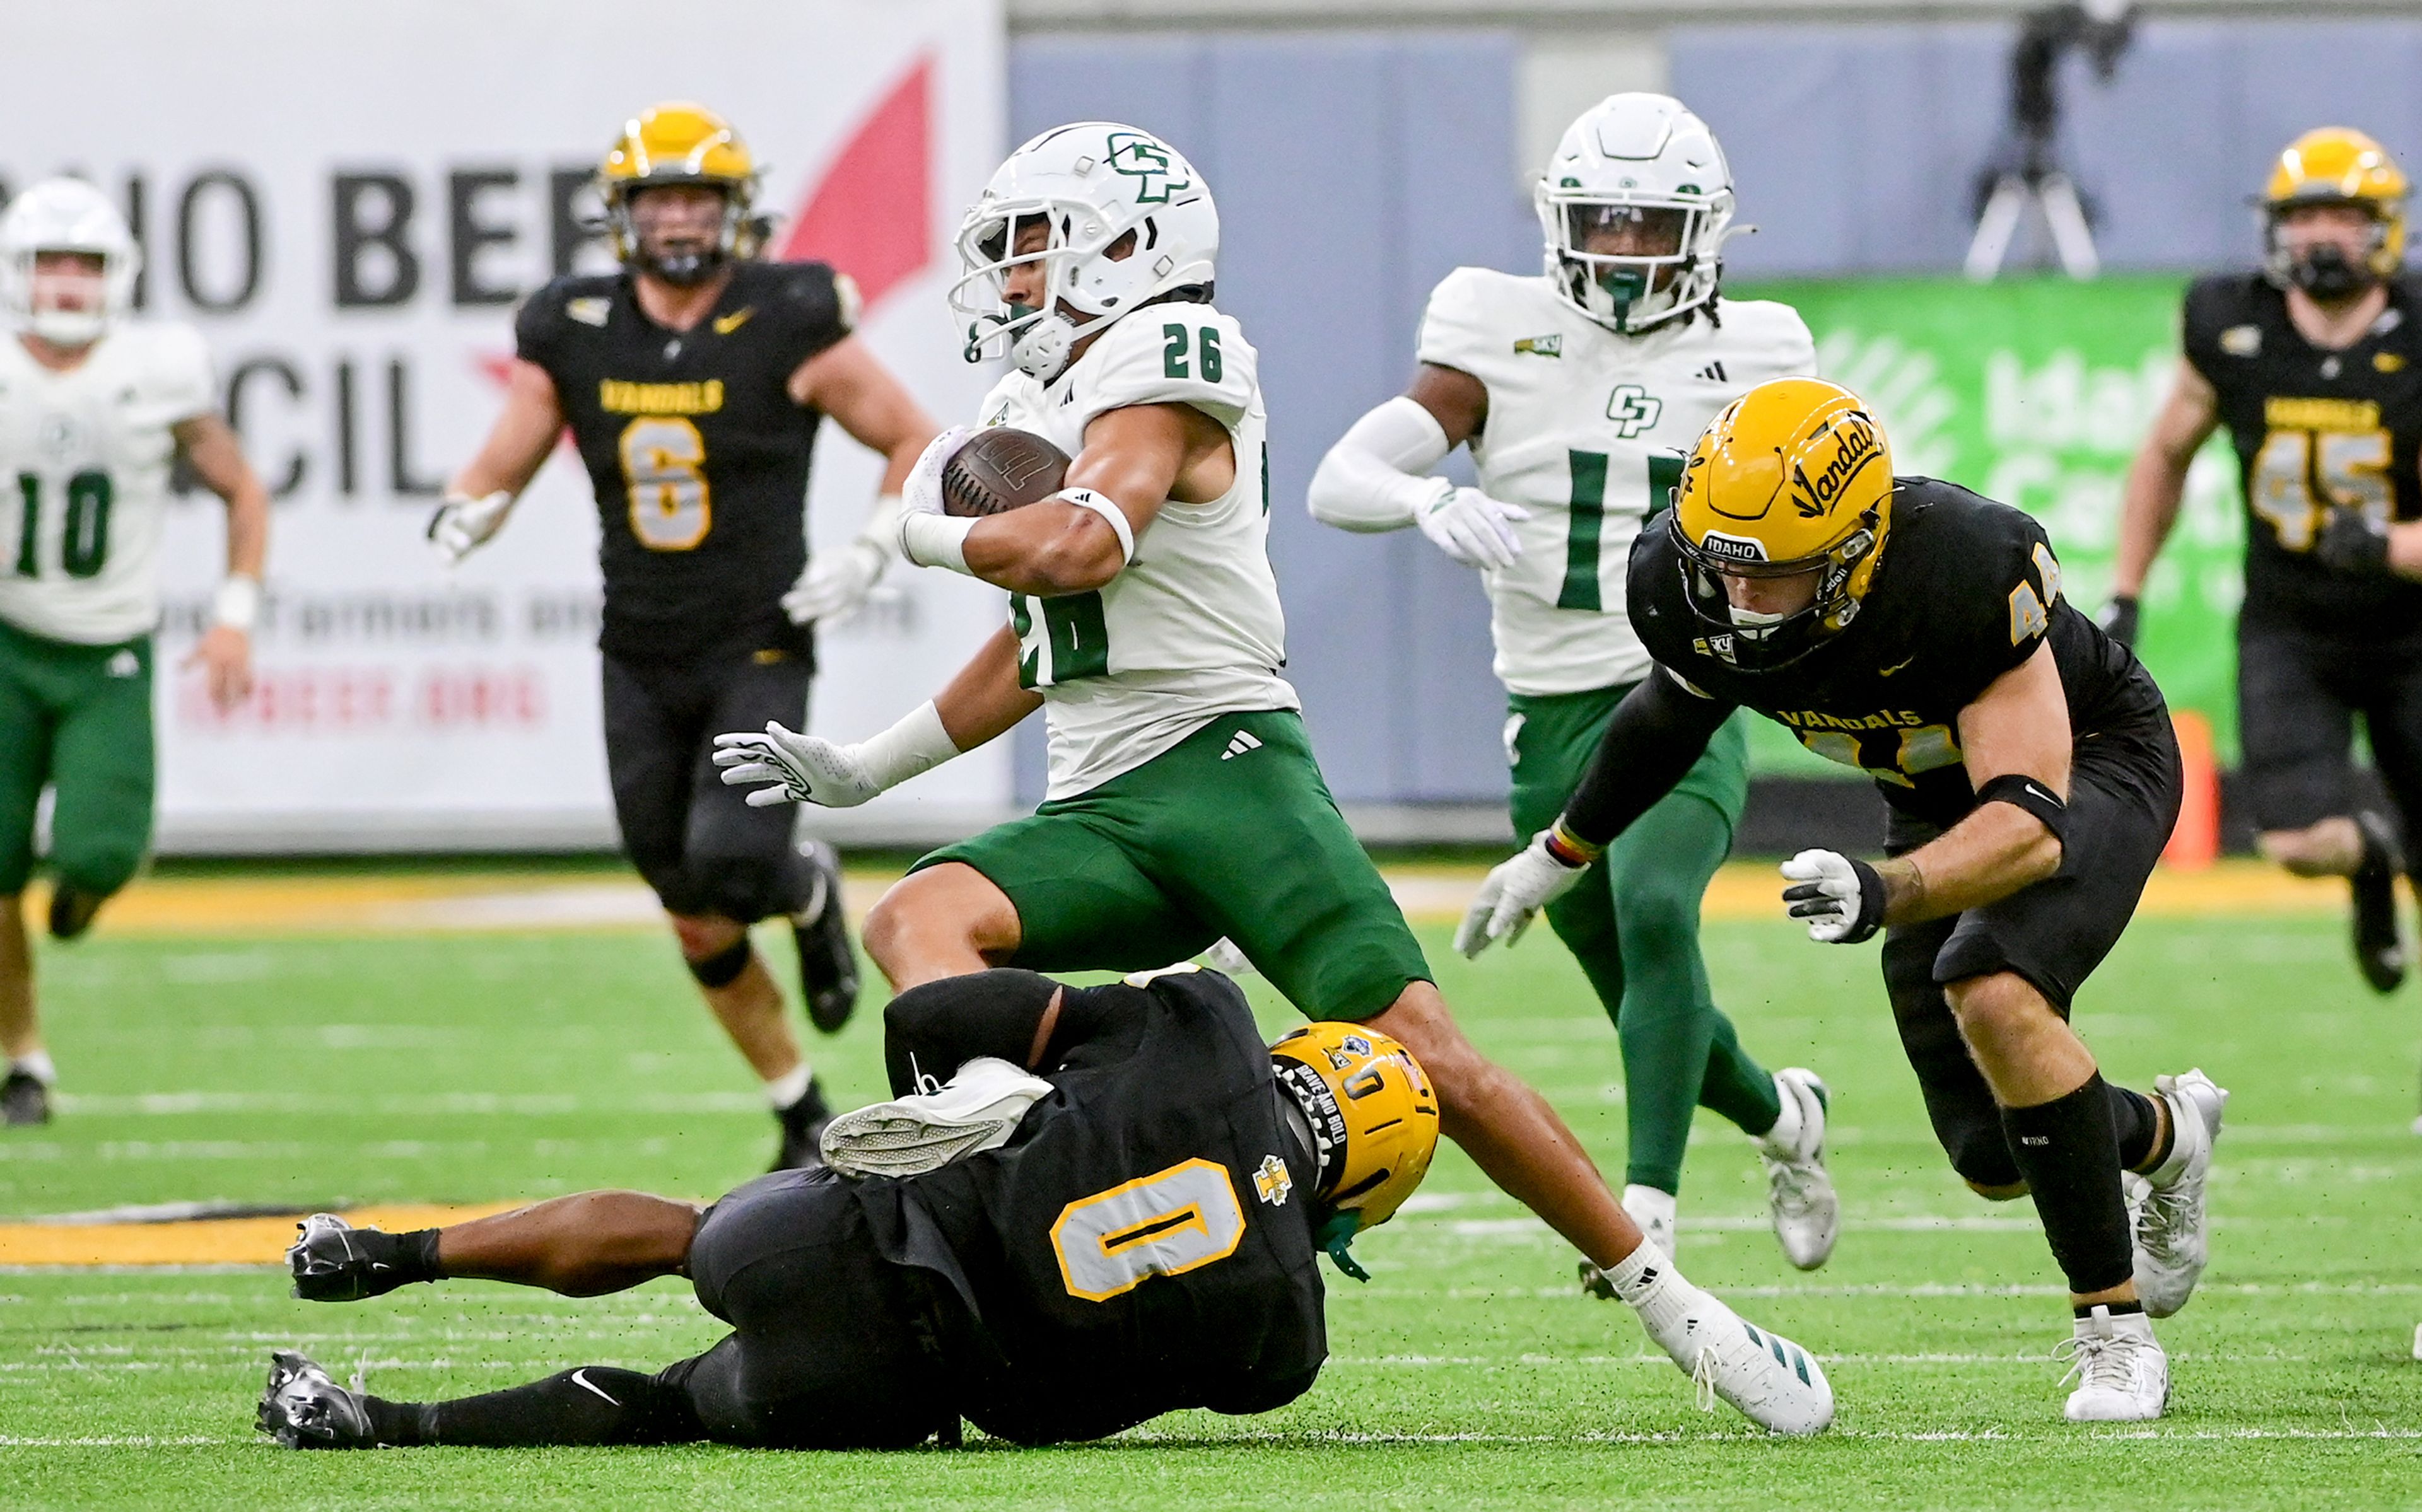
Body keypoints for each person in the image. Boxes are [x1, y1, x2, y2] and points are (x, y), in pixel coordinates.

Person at [712, 122, 1833, 1434]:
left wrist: (921, 522)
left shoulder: (1171, 359)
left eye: (1031, 251)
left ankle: (1673, 1300)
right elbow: (1045, 646)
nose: (1010, 281)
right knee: (915, 917)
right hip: (1107, 800)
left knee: (1433, 1057)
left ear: (1123, 252)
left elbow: (1080, 547)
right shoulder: (1032, 405)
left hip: (1231, 767)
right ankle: (1012, 1100)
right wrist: (866, 763)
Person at [1458, 377, 2228, 1423]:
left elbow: (2029, 819)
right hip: (1931, 795)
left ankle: (2115, 1334)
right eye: (1721, 573)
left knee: (1991, 984)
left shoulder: (1963, 568)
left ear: (1859, 548)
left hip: (2085, 766)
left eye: (1774, 579)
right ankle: (2163, 1134)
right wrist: (1563, 848)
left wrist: (1887, 888)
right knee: (1993, 1156)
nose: (1740, 605)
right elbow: (1675, 708)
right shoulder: (1690, 581)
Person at [1308, 93, 1835, 1265]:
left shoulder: (1762, 348)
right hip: (1545, 716)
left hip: (1690, 687)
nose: (1629, 249)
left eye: (1655, 225)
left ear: (1706, 233)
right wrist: (1426, 494)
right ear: (1559, 218)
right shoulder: (1494, 325)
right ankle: (1785, 1116)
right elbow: (1338, 479)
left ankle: (1645, 1211)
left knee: (1657, 911)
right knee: (1658, 1006)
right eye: (1606, 219)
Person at [259, 965, 1436, 1450]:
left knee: (684, 1231)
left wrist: (983, 1105)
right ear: (1367, 1191)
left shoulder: (1205, 1021)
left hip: (850, 1231)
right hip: (896, 1386)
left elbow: (938, 1010)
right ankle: (383, 1423)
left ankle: (387, 1249)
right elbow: (1061, 1417)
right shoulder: (1287, 1341)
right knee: (674, 1404)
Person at [433, 103, 940, 1168]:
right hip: (637, 644)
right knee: (690, 905)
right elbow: (508, 452)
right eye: (658, 198)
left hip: (755, 637)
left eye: (696, 198)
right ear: (622, 214)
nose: (676, 219)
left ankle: (804, 885)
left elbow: (910, 436)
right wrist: (473, 504)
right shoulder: (573, 324)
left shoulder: (790, 315)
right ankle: (798, 1107)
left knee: (732, 857)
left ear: (734, 211)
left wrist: (871, 547)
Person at [2111, 125, 2422, 1006]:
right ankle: (2371, 860)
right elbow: (2164, 455)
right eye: (2304, 216)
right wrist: (2125, 591)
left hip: (2410, 625)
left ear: (2384, 229)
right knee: (2295, 839)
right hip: (2292, 622)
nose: (2322, 236)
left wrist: (2392, 545)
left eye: (2342, 215)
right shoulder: (2232, 321)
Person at [0, 178, 268, 1127]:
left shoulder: (159, 367)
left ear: (118, 275)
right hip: (5, 639)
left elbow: (242, 488)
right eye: (51, 263)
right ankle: (22, 1059)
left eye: (85, 265)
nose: (67, 285)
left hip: (106, 646)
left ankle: (73, 902)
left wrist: (233, 614)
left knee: (100, 854)